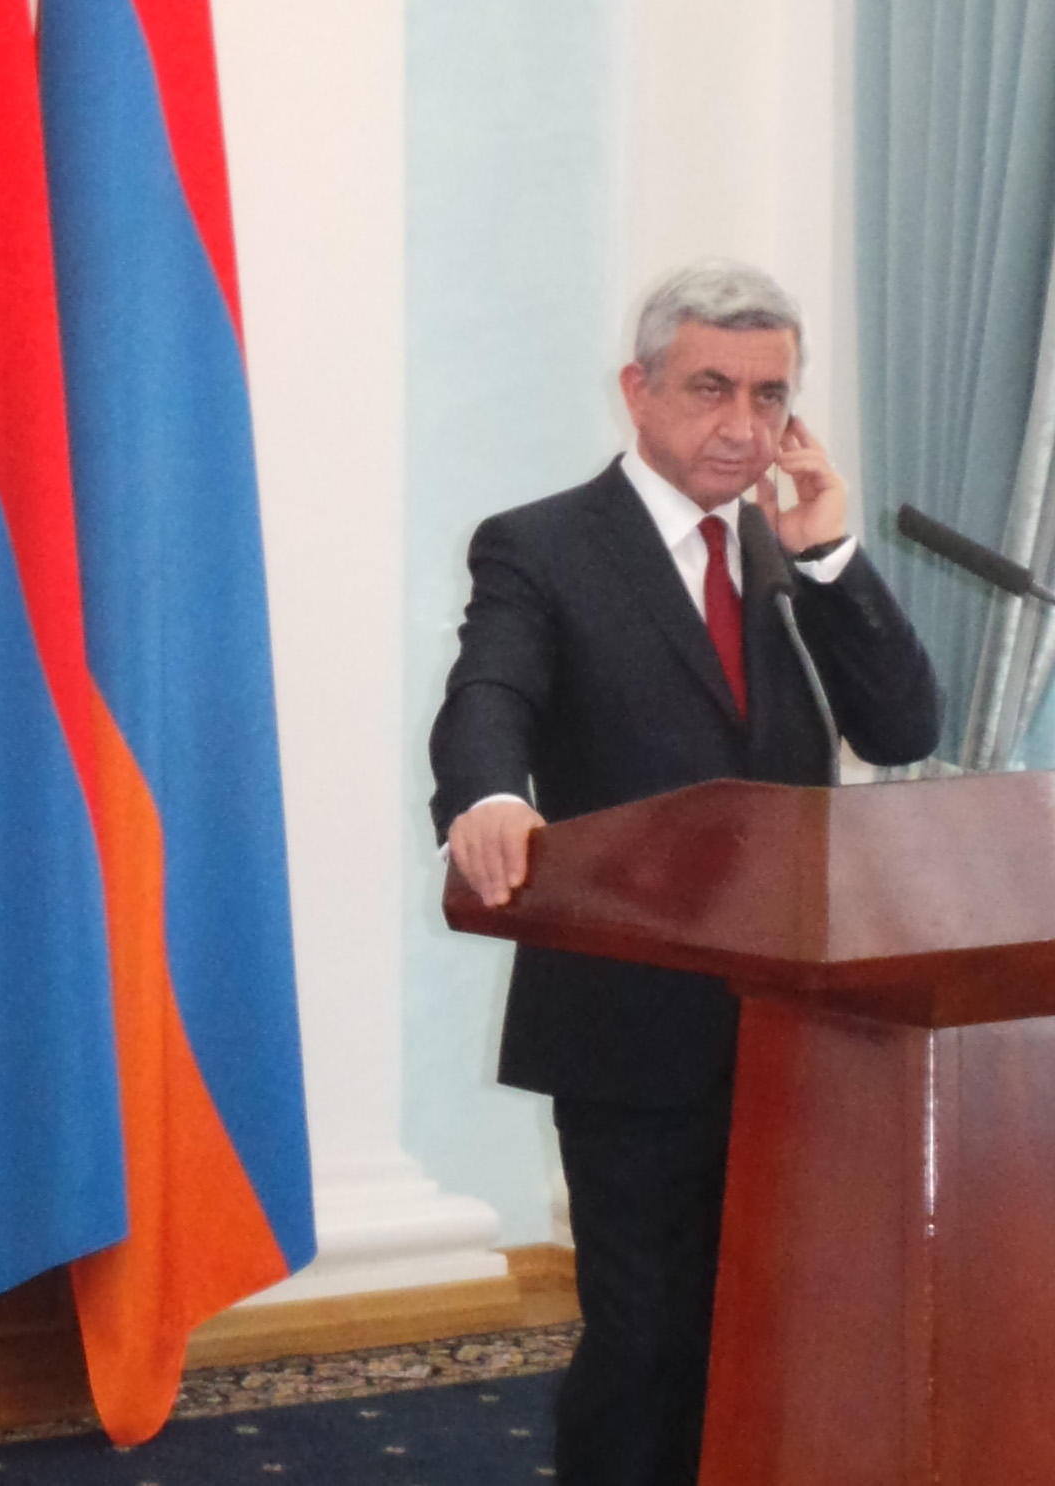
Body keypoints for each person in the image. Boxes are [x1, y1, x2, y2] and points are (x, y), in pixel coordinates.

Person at [429, 261, 938, 1486]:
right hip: (631, 1016)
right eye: (712, 388)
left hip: (801, 1021)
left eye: (770, 396)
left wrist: (830, 560)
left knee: (779, 1330)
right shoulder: (544, 545)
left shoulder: (782, 552)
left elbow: (906, 727)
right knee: (650, 1341)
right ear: (638, 389)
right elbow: (487, 694)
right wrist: (488, 797)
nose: (744, 425)